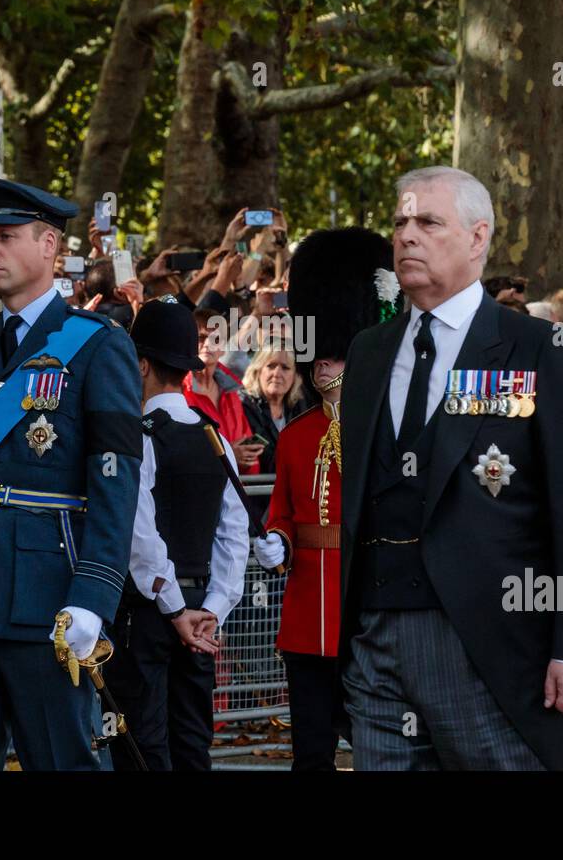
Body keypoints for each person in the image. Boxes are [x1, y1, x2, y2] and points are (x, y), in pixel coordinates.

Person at [337, 165, 563, 770]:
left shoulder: (536, 347)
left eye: (429, 222)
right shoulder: (369, 350)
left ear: (478, 238)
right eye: (400, 221)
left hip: (490, 641)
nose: (407, 235)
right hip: (373, 635)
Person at [0, 176, 142, 771]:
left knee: (60, 757)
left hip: (47, 591)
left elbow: (115, 482)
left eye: (6, 236)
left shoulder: (97, 343)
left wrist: (94, 595)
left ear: (49, 245)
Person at [253, 227, 397, 770]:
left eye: (335, 361)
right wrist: (278, 542)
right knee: (310, 749)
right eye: (321, 362)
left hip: (364, 603)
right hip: (305, 608)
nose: (325, 369)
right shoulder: (294, 436)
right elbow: (283, 513)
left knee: (378, 744)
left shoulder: (382, 433)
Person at [103, 300, 249, 771]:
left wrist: (173, 607)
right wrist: (214, 608)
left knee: (143, 743)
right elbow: (234, 532)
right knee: (192, 739)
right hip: (201, 610)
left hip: (149, 613)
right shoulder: (215, 436)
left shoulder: (140, 435)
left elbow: (139, 533)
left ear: (141, 364)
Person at [184, 309, 261, 474]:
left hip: (234, 492)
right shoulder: (178, 390)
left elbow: (249, 460)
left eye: (216, 339)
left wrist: (247, 460)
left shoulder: (233, 393)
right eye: (201, 337)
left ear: (224, 348)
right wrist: (229, 455)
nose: (208, 344)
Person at [239, 344, 306, 476]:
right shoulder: (242, 405)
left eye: (285, 368)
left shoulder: (300, 408)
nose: (277, 374)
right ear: (257, 370)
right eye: (271, 366)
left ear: (294, 376)